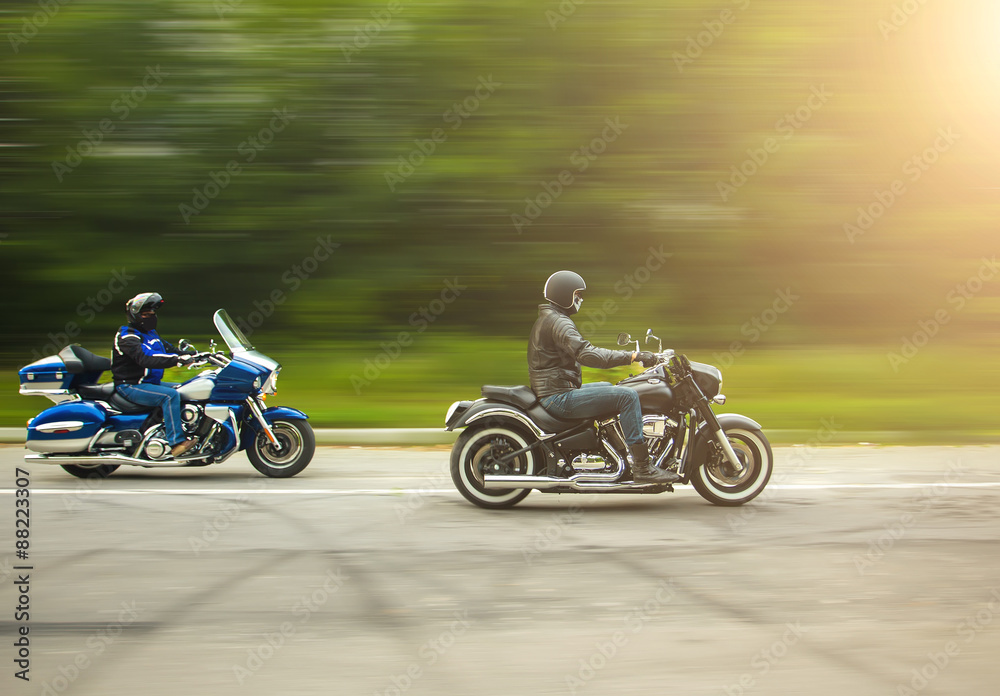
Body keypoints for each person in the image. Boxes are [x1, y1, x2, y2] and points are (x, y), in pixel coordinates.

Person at [528, 271, 679, 484]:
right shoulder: (558, 322)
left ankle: (613, 449)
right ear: (564, 294)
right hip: (558, 397)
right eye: (577, 294)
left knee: (610, 386)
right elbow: (588, 354)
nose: (580, 299)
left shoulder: (551, 318)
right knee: (627, 397)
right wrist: (633, 356)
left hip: (557, 390)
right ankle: (643, 467)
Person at [111, 292, 197, 457]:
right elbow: (145, 358)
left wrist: (199, 355)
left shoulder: (151, 334)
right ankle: (177, 443)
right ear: (135, 315)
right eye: (145, 314)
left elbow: (170, 350)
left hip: (150, 383)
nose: (150, 317)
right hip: (130, 385)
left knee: (187, 389)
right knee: (170, 396)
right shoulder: (127, 335)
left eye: (152, 314)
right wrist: (177, 360)